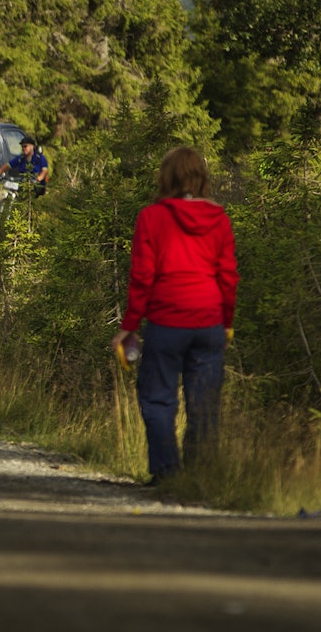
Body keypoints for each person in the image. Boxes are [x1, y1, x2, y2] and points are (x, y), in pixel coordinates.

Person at [110, 146, 239, 485]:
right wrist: (226, 322)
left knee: (158, 397)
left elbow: (142, 277)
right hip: (209, 322)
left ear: (165, 177)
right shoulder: (218, 218)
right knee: (204, 403)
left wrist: (129, 327)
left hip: (166, 322)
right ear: (201, 177)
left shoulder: (151, 217)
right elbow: (228, 276)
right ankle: (199, 477)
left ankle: (167, 474)